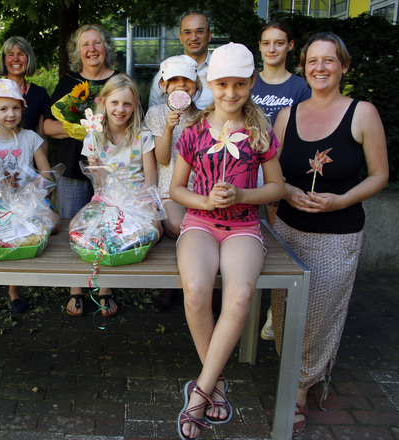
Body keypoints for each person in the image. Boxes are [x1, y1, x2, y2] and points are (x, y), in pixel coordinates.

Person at [270, 32, 388, 436]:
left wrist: (341, 201)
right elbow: (272, 172)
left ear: (344, 66)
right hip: (288, 228)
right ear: (303, 66)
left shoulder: (363, 113)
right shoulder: (287, 115)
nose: (320, 67)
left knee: (318, 313)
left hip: (336, 234)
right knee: (285, 312)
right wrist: (285, 189)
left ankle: (301, 388)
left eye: (329, 60)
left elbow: (379, 175)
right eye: (313, 61)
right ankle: (291, 369)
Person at [169, 43, 284, 440]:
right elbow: (176, 189)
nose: (231, 93)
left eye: (239, 84)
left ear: (252, 82)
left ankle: (199, 392)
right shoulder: (194, 131)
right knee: (197, 290)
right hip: (200, 223)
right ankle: (215, 385)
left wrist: (241, 196)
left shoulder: (259, 132)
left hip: (244, 227)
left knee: (239, 296)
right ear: (208, 83)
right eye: (222, 84)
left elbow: (276, 187)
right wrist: (205, 201)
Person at [69, 73, 162, 318]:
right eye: (115, 103)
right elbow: (99, 187)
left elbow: (151, 180)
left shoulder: (143, 136)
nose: (120, 109)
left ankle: (106, 286)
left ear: (134, 106)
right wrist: (96, 167)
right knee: (78, 228)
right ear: (103, 103)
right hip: (106, 199)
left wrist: (144, 203)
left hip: (137, 198)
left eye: (127, 104)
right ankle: (78, 286)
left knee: (152, 231)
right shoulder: (93, 138)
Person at [0, 79, 60, 317]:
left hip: (29, 201)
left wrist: (33, 192)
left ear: (23, 109)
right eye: (3, 109)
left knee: (49, 224)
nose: (11, 114)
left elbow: (45, 173)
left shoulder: (31, 139)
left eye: (16, 108)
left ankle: (13, 289)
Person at [252, 21, 311, 341]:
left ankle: (277, 310)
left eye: (278, 42)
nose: (271, 49)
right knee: (247, 234)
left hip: (279, 171)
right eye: (265, 43)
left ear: (290, 46)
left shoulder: (300, 87)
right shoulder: (249, 83)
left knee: (278, 238)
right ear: (259, 46)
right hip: (246, 169)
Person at [44, 24, 119, 219]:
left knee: (111, 223)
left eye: (97, 43)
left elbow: (135, 125)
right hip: (71, 169)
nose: (92, 49)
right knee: (72, 225)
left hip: (112, 170)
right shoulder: (68, 82)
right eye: (85, 44)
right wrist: (82, 129)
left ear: (106, 48)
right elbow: (48, 126)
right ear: (78, 52)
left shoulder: (119, 81)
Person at [144, 55, 200, 313]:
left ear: (196, 84)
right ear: (164, 86)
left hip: (198, 190)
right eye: (173, 80)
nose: (180, 85)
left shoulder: (204, 116)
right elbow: (163, 158)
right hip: (168, 190)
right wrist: (168, 128)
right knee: (181, 225)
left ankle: (196, 285)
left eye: (186, 80)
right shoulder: (156, 113)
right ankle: (176, 286)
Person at [149, 11, 214, 110]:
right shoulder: (165, 73)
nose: (193, 38)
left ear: (209, 36)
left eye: (199, 31)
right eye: (187, 32)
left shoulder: (220, 70)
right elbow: (155, 114)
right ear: (181, 38)